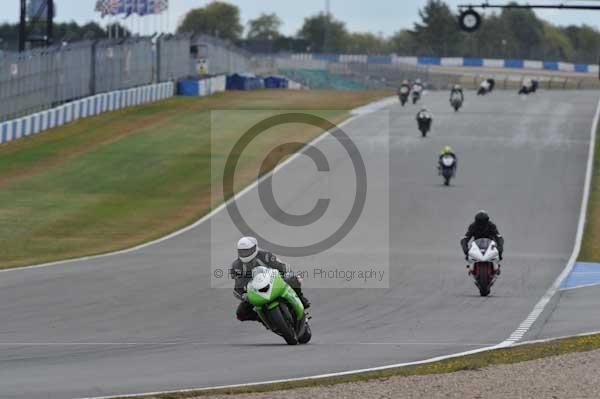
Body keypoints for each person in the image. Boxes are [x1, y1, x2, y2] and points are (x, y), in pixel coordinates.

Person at [231, 237, 310, 322]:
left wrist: (287, 273)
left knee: (293, 279)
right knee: (240, 314)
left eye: (247, 251)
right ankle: (262, 319)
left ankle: (301, 301)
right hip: (255, 291)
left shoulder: (265, 255)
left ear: (255, 248)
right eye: (242, 251)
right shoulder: (236, 266)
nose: (244, 254)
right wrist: (243, 295)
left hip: (273, 283)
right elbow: (238, 286)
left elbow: (281, 266)